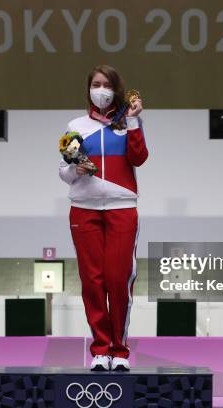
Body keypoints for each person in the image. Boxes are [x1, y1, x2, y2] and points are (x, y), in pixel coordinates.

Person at [58, 64, 148, 371]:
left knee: (118, 280)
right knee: (92, 282)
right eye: (95, 84)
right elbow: (64, 171)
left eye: (106, 84)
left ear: (116, 90)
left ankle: (120, 351)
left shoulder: (129, 123)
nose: (101, 90)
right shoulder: (75, 125)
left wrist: (134, 120)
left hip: (122, 209)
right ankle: (100, 350)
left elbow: (138, 158)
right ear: (88, 90)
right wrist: (75, 170)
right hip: (84, 209)